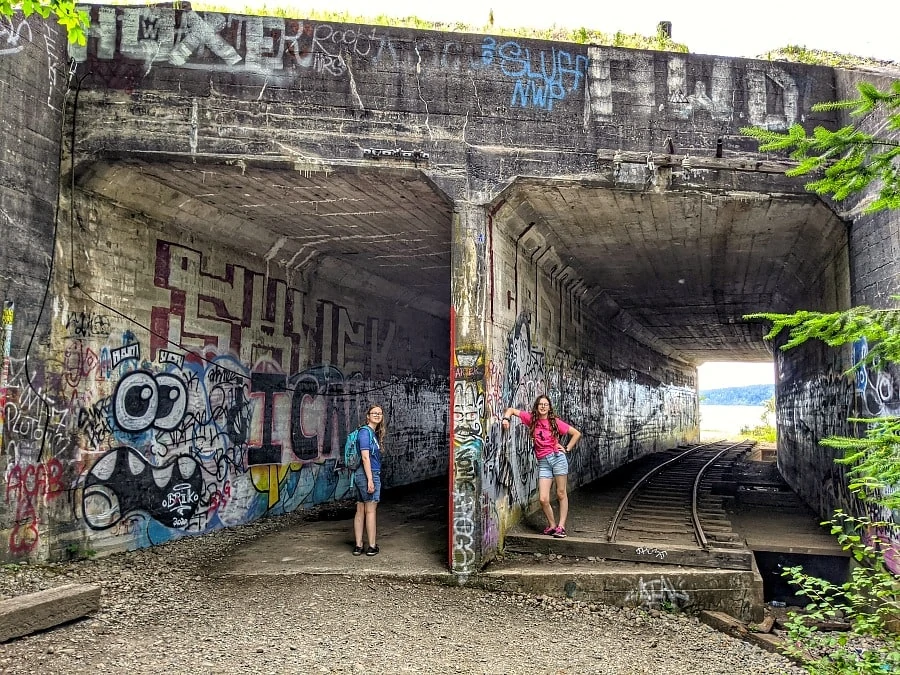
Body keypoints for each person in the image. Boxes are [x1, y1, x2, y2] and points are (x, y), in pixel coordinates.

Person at [501, 396, 581, 538]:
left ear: (549, 407)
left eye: (546, 404)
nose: (543, 407)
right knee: (543, 498)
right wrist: (506, 419)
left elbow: (576, 434)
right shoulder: (531, 419)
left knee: (561, 493)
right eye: (540, 404)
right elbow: (511, 410)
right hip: (543, 462)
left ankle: (561, 526)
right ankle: (552, 525)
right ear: (537, 406)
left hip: (557, 459)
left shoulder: (555, 422)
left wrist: (567, 448)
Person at [353, 404, 385, 556]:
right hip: (368, 474)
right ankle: (371, 546)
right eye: (374, 413)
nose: (377, 415)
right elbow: (365, 457)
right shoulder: (365, 433)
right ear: (367, 415)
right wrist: (370, 480)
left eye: (380, 413)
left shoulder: (371, 433)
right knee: (370, 510)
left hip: (362, 475)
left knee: (360, 509)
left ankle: (358, 546)